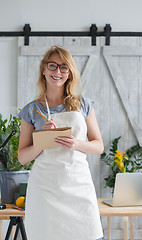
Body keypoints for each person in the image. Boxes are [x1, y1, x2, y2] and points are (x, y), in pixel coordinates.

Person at [18, 45, 104, 240]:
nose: (58, 72)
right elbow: (23, 157)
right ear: (44, 69)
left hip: (78, 186)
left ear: (70, 73)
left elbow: (98, 145)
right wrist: (42, 139)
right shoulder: (31, 111)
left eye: (64, 67)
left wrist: (77, 144)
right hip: (45, 191)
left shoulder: (83, 104)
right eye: (53, 66)